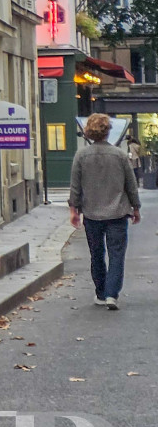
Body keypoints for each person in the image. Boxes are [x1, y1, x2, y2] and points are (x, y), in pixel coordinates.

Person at [69, 113, 141, 310]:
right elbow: (131, 184)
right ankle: (111, 294)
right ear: (108, 131)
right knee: (117, 254)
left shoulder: (81, 156)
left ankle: (100, 292)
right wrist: (136, 207)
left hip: (92, 213)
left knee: (96, 254)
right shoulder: (119, 155)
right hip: (117, 212)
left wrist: (74, 209)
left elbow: (75, 186)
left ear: (89, 133)